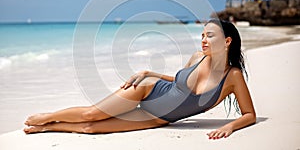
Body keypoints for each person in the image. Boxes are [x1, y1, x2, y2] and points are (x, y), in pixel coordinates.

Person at [24, 19, 256, 139]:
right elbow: (177, 83)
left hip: (156, 118)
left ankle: (49, 128)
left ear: (227, 41)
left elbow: (249, 115)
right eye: (202, 35)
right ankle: (48, 116)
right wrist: (149, 73)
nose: (203, 40)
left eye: (210, 36)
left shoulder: (232, 76)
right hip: (147, 90)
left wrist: (230, 127)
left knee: (90, 128)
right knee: (91, 114)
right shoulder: (197, 57)